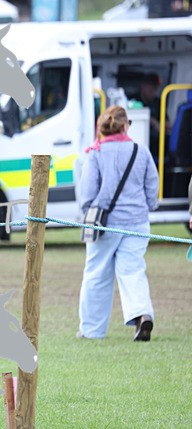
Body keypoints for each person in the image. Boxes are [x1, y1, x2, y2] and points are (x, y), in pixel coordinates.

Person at [77, 106, 159, 341]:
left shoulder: (96, 153)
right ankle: (142, 314)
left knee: (96, 274)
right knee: (133, 271)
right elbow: (152, 188)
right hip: (137, 222)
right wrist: (148, 205)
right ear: (124, 126)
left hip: (105, 223)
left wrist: (89, 211)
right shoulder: (141, 150)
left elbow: (87, 193)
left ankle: (92, 330)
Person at [137, 73, 171, 158]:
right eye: (151, 89)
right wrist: (152, 121)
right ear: (143, 86)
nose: (154, 93)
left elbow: (168, 124)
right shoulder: (134, 100)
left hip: (157, 136)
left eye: (155, 90)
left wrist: (158, 125)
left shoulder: (158, 102)